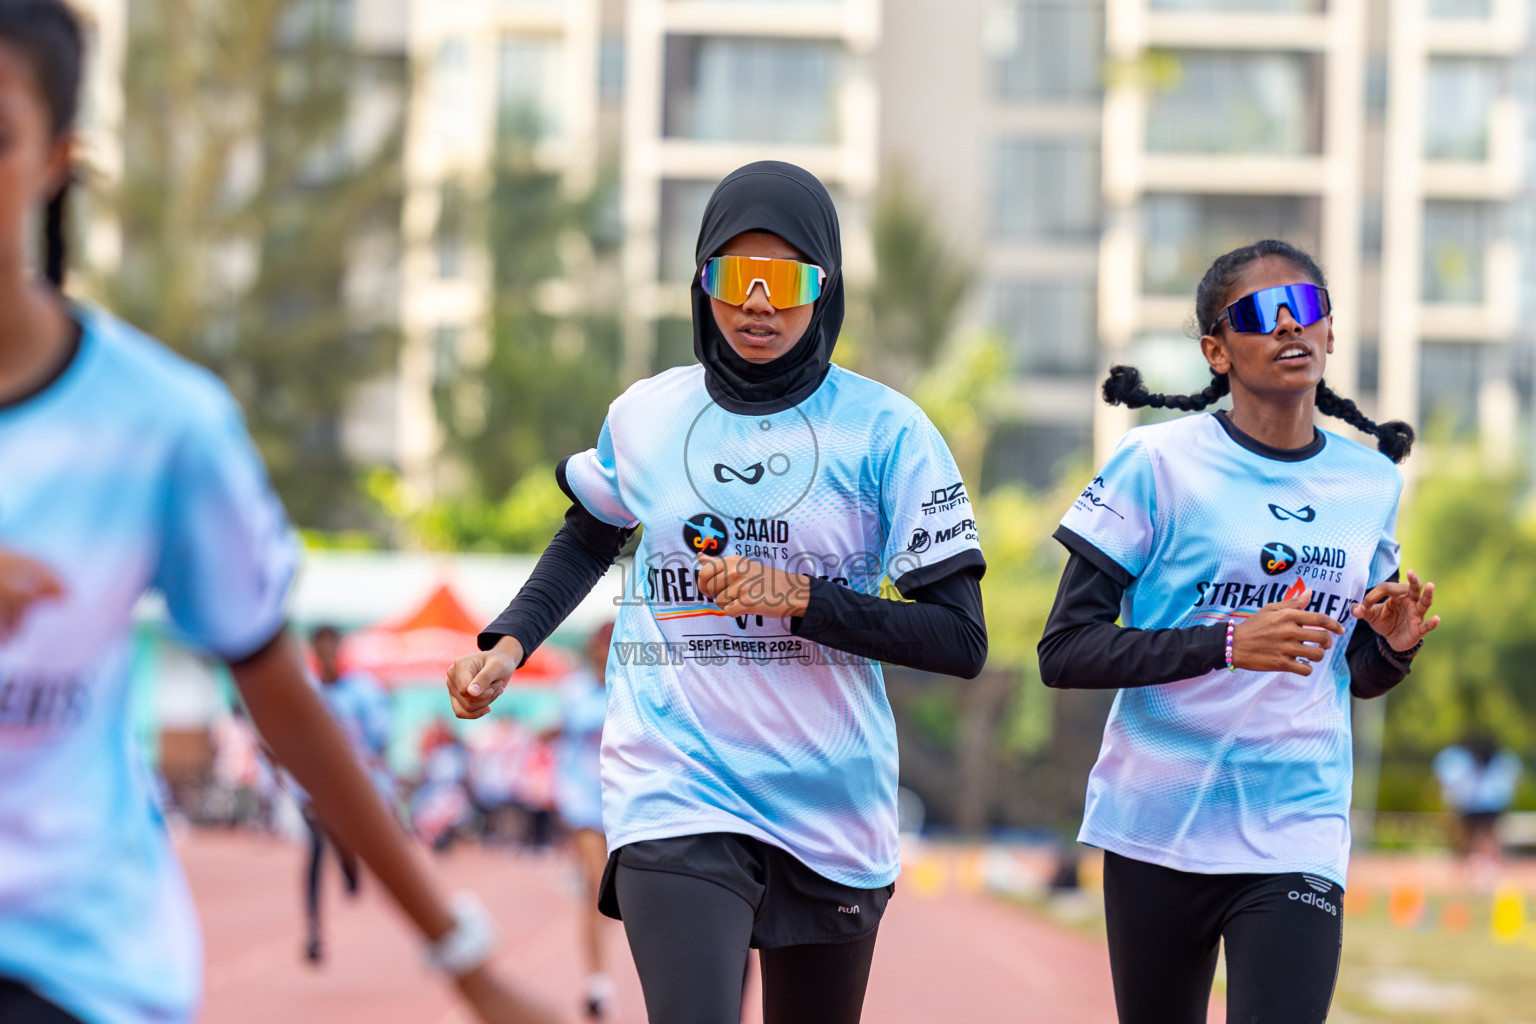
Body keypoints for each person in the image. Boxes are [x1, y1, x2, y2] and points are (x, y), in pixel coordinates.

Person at [0, 4, 550, 1021]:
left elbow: (284, 702)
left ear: (54, 160)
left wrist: (469, 962)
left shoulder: (161, 427)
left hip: (72, 964)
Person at [446, 161, 988, 1024]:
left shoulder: (888, 434)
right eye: (736, 277)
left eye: (788, 279)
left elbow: (960, 642)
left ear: (826, 286)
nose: (760, 302)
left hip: (829, 804)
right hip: (676, 784)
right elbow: (592, 532)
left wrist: (802, 598)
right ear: (702, 283)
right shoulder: (649, 416)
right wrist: (507, 640)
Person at [1037, 239, 1441, 1024]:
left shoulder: (1371, 484)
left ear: (1330, 334)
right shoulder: (1155, 463)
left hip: (1298, 823)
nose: (1291, 325)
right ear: (1215, 351)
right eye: (1261, 312)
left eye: (1309, 308)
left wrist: (1393, 644)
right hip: (1159, 822)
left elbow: (1349, 670)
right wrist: (1224, 643)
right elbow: (1064, 650)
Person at [301, 624, 396, 963]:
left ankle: (349, 863)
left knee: (345, 837)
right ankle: (313, 931)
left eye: (332, 647)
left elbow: (379, 736)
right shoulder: (303, 688)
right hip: (312, 784)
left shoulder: (361, 691)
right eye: (320, 647)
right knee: (314, 846)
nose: (326, 654)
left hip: (354, 783)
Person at [553, 622, 619, 1019]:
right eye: (597, 648)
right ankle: (598, 979)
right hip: (584, 801)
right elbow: (564, 740)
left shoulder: (633, 685)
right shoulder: (574, 690)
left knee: (622, 892)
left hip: (626, 802)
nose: (601, 656)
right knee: (596, 886)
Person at [1433, 732, 1522, 886]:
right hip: (1479, 806)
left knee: (1478, 838)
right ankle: (1478, 870)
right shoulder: (1498, 761)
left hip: (1479, 806)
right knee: (1482, 838)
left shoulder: (1462, 760)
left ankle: (1479, 870)